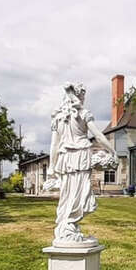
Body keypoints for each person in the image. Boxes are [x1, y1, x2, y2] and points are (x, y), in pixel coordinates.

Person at [48, 83, 116, 245]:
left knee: (67, 194)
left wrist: (51, 166)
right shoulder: (83, 113)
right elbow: (98, 136)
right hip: (80, 156)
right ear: (79, 96)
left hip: (65, 158)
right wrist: (112, 150)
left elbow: (54, 145)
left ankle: (67, 226)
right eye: (83, 95)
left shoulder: (58, 117)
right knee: (80, 193)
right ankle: (68, 226)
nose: (84, 99)